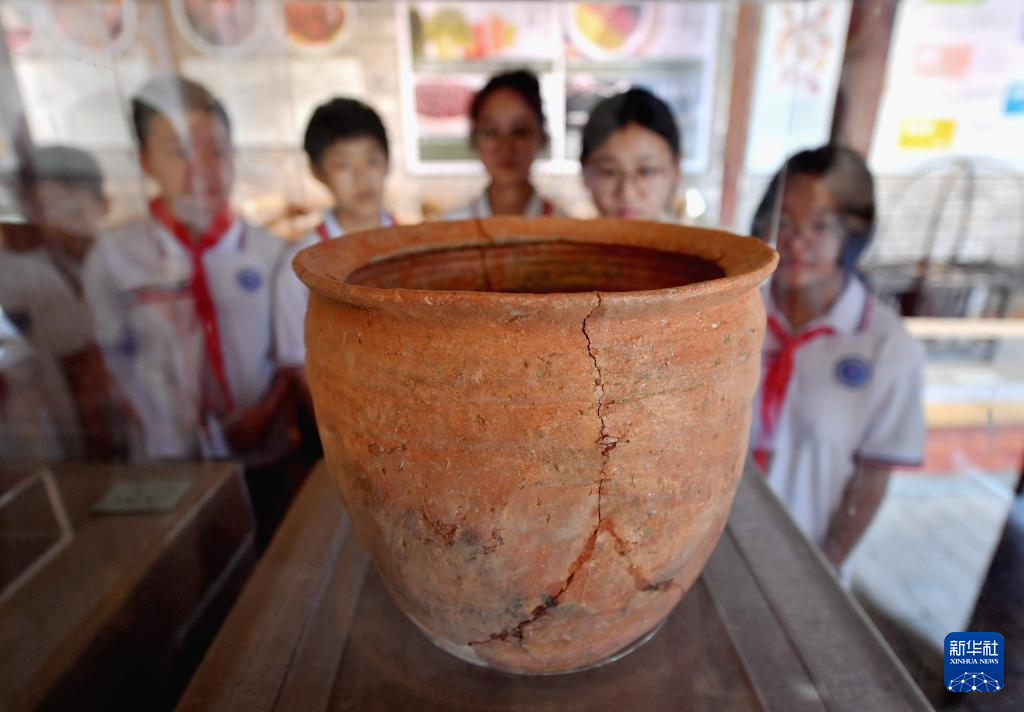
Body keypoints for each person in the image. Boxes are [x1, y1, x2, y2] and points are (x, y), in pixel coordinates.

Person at [83, 76, 293, 465]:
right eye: (179, 152)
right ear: (144, 160)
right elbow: (108, 361)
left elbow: (291, 356)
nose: (201, 169)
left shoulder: (273, 253)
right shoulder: (113, 256)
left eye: (216, 151)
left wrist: (266, 414)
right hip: (167, 461)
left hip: (263, 451)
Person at [748, 144, 926, 574]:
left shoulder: (886, 347)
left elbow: (872, 476)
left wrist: (826, 567)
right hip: (718, 547)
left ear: (853, 234)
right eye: (784, 222)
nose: (796, 242)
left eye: (821, 225)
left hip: (803, 559)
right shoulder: (741, 314)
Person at [0, 147, 119, 460]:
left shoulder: (126, 264)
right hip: (62, 441)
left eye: (72, 209)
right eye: (43, 211)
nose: (57, 225)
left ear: (105, 204)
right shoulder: (24, 274)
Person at [274, 97, 393, 390]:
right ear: (317, 172)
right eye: (343, 165)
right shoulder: (300, 265)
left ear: (388, 161)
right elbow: (298, 366)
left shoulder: (418, 247)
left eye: (372, 160)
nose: (362, 178)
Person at [445, 70, 560, 219]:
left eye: (520, 131)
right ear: (474, 140)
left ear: (543, 139)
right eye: (491, 131)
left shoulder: (568, 229)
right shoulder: (450, 227)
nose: (506, 147)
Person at [580, 88, 681, 221]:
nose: (627, 194)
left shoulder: (696, 235)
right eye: (609, 172)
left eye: (645, 171)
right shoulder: (563, 233)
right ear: (584, 169)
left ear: (675, 169)